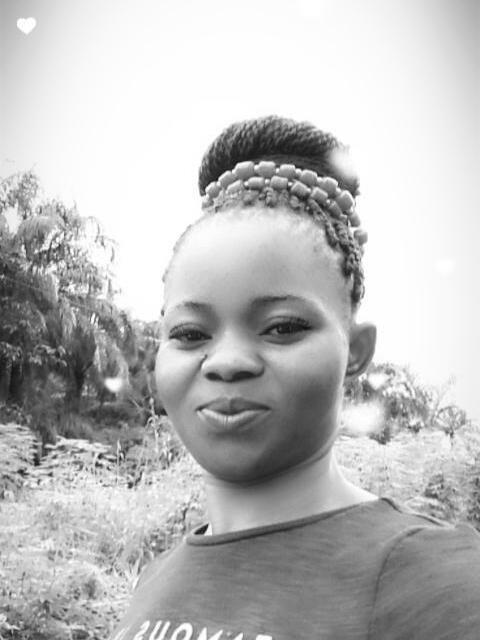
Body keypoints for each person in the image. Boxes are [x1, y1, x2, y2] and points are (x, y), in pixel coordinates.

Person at [109, 116, 480, 640]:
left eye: (282, 327)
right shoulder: (155, 577)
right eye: (190, 334)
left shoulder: (437, 584)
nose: (226, 362)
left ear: (356, 351)